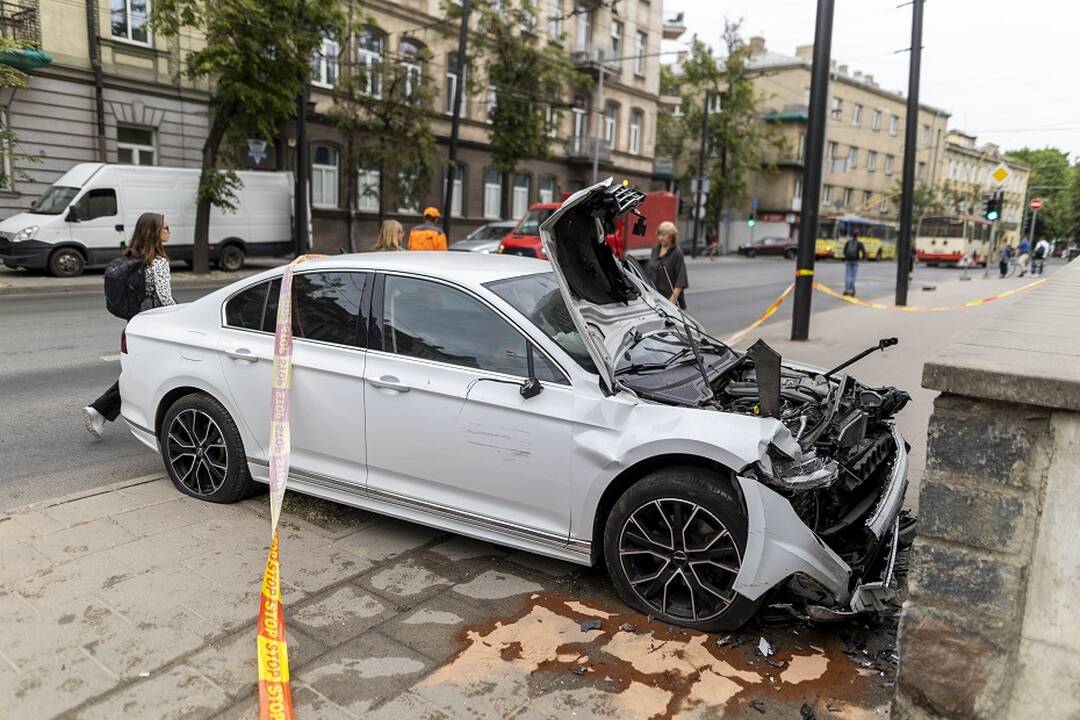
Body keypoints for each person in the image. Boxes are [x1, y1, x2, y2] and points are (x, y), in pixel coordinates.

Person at [83, 213, 175, 438]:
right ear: (155, 232)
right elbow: (165, 298)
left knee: (142, 372)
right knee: (149, 373)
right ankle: (102, 411)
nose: (168, 231)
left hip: (137, 323)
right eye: (165, 228)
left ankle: (100, 411)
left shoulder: (133, 258)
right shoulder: (159, 262)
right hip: (156, 325)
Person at [647, 221, 689, 309]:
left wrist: (672, 301)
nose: (660, 238)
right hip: (654, 298)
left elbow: (680, 280)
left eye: (663, 235)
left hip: (669, 300)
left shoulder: (677, 253)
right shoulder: (655, 249)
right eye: (659, 235)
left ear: (672, 236)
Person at [842, 229, 867, 296]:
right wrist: (862, 258)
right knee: (853, 276)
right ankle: (852, 290)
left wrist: (847, 257)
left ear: (852, 235)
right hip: (855, 261)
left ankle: (847, 290)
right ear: (858, 235)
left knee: (848, 275)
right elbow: (864, 252)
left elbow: (844, 251)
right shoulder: (859, 243)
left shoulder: (848, 242)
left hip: (848, 260)